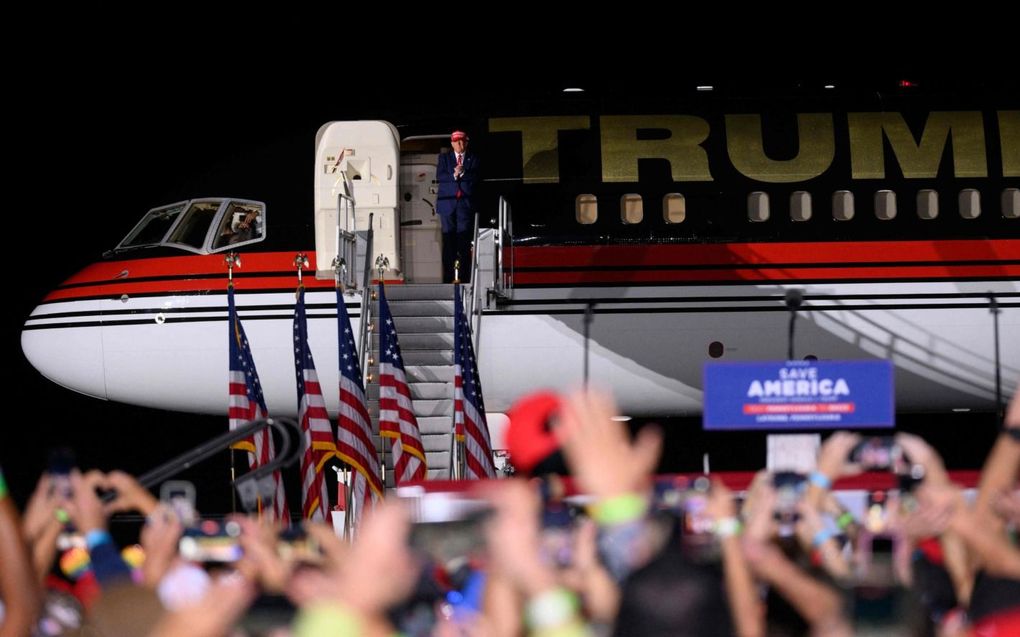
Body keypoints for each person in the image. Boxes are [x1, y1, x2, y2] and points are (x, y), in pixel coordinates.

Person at [435, 130, 479, 283]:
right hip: (447, 204)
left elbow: (476, 177)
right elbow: (439, 176)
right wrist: (454, 175)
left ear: (466, 142)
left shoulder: (473, 158)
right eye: (457, 141)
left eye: (462, 141)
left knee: (463, 240)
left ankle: (464, 276)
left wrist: (463, 172)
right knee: (448, 241)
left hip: (464, 206)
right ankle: (448, 277)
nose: (460, 144)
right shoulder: (444, 158)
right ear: (452, 143)